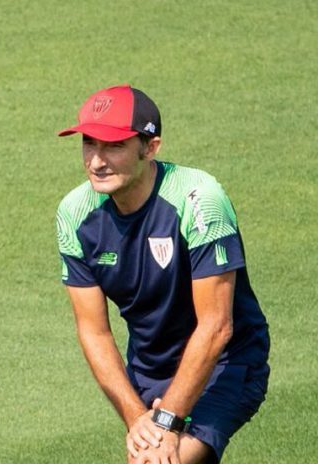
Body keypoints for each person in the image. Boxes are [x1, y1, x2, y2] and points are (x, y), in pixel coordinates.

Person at [56, 84, 269, 464]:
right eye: (89, 143)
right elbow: (94, 332)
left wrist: (167, 420)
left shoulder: (198, 199)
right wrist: (136, 417)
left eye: (114, 146)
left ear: (151, 147)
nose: (96, 161)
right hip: (149, 371)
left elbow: (216, 326)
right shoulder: (75, 213)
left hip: (227, 364)